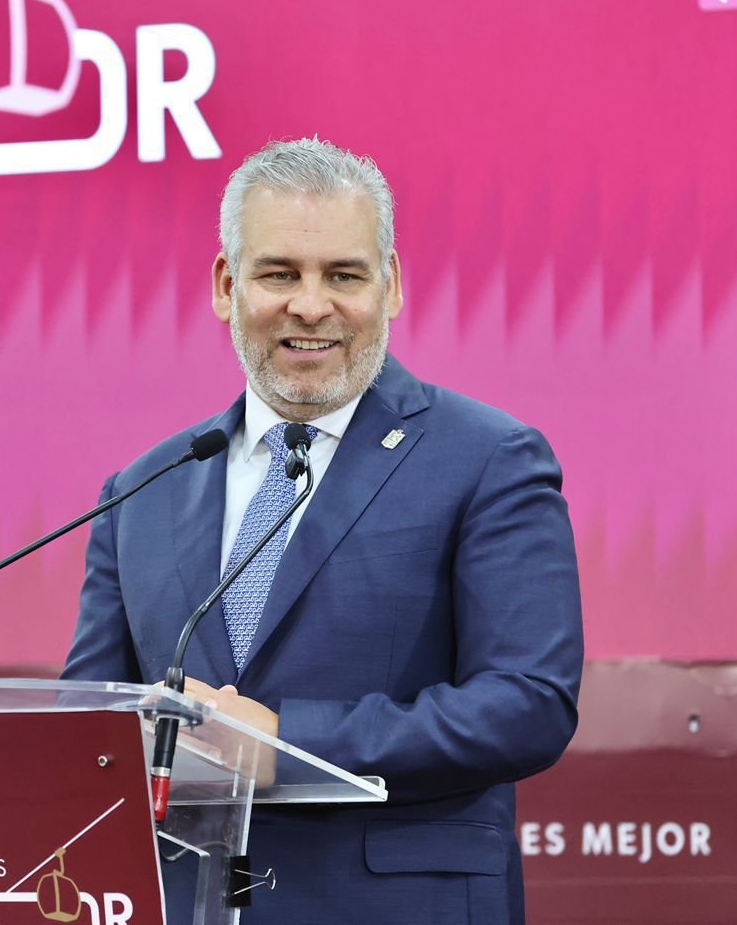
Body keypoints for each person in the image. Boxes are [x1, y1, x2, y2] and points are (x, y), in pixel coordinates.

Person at [63, 138, 583, 924]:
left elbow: (527, 705)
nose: (310, 306)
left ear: (391, 285)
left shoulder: (489, 459)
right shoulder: (140, 490)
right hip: (187, 904)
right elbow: (89, 725)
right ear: (227, 285)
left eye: (343, 275)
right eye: (279, 274)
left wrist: (285, 742)